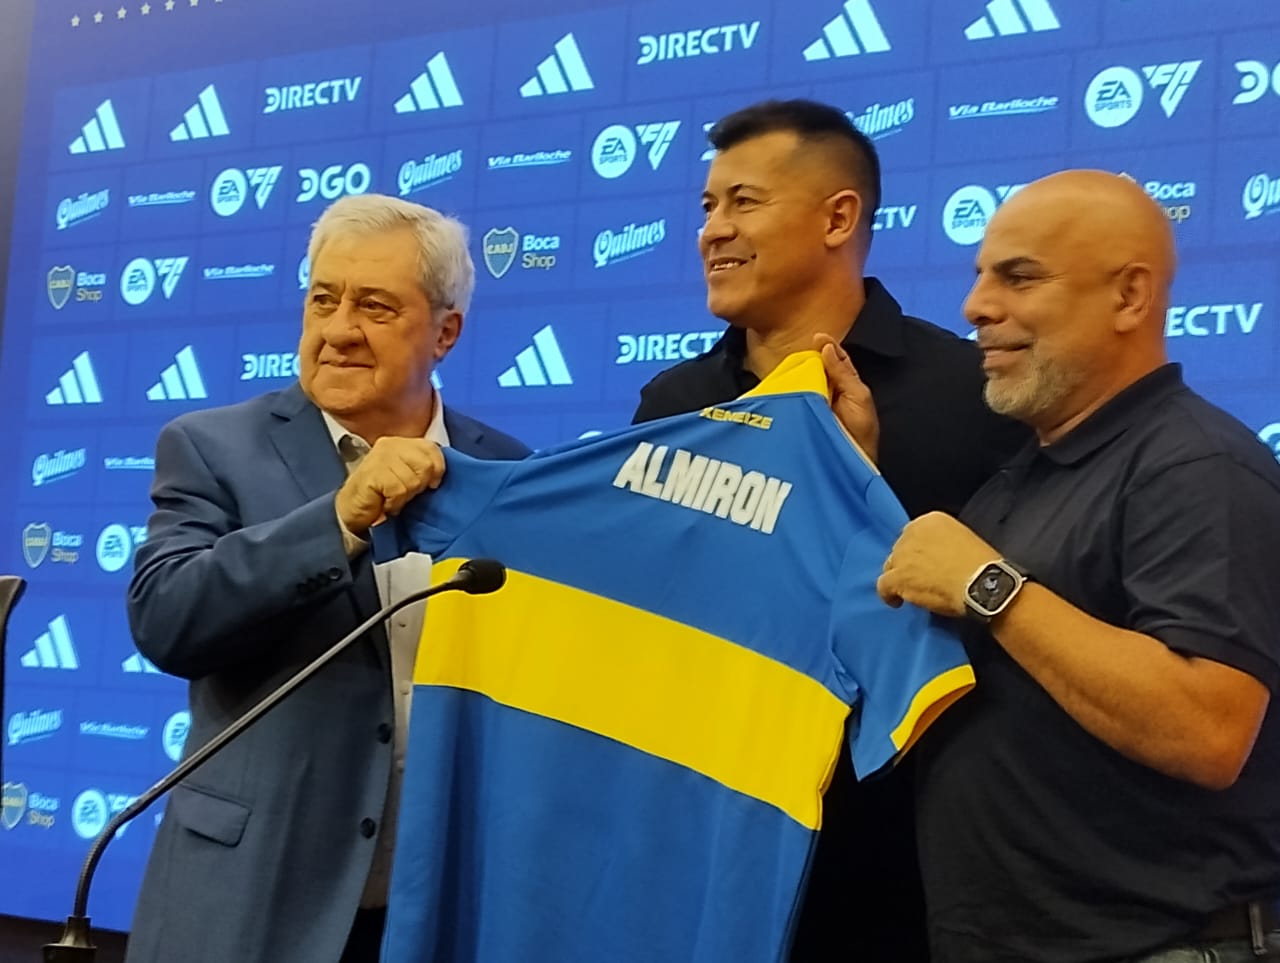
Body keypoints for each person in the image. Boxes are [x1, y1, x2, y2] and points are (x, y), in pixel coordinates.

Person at [633, 98, 1028, 961]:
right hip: (711, 846)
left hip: (909, 866)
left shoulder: (975, 395)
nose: (712, 230)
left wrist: (854, 490)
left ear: (838, 218)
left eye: (743, 202)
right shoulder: (671, 405)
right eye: (707, 206)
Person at [870, 170, 1280, 963]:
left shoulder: (1196, 466)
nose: (976, 305)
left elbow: (1209, 726)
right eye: (980, 275)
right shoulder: (1031, 472)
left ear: (1130, 296)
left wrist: (990, 588)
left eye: (1020, 277)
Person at [124, 194, 530, 963]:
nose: (339, 329)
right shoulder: (211, 447)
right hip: (250, 903)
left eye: (375, 306)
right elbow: (166, 616)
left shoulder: (507, 470)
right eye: (323, 299)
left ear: (445, 332)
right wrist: (338, 519)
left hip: (437, 910)